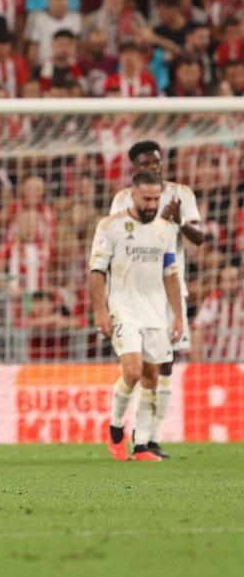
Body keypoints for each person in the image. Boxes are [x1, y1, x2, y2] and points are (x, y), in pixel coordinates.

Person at [106, 141, 205, 458]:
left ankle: (148, 438)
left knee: (165, 366)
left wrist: (178, 221)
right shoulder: (123, 199)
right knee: (139, 367)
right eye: (146, 163)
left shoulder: (182, 194)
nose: (153, 168)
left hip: (169, 289)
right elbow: (116, 239)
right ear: (134, 169)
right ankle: (121, 426)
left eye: (157, 163)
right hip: (134, 293)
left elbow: (199, 238)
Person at [90, 172, 184, 463]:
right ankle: (116, 429)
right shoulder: (111, 226)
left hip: (155, 313)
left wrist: (178, 316)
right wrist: (100, 310)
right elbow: (97, 271)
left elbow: (170, 274)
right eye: (146, 199)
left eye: (156, 199)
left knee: (152, 377)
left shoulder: (165, 231)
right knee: (132, 371)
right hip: (124, 310)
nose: (151, 204)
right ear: (132, 195)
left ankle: (141, 445)